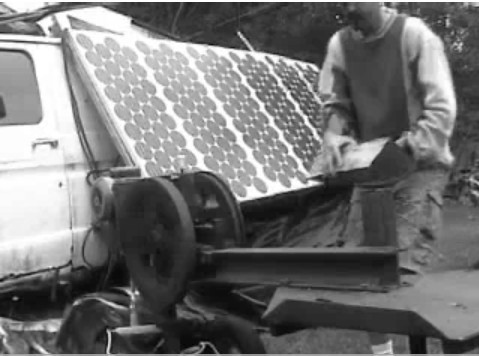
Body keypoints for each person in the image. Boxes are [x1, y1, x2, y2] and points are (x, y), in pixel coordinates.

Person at [318, 3, 456, 355]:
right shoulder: (340, 45)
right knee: (360, 272)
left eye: (354, 2)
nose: (347, 8)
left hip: (419, 166)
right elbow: (335, 104)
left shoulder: (415, 37)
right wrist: (335, 136)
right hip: (371, 171)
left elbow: (441, 109)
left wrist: (407, 144)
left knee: (403, 273)